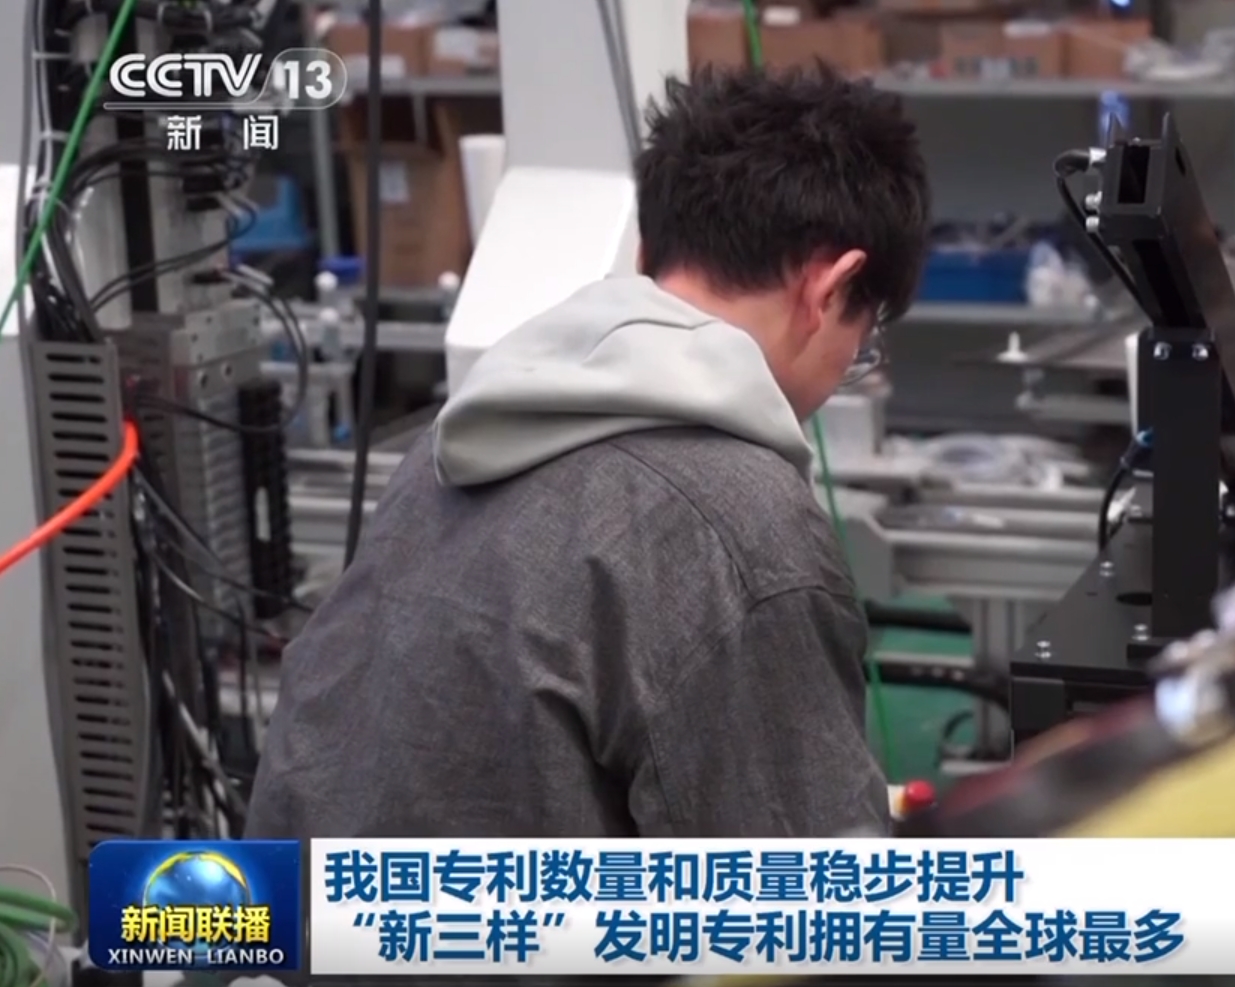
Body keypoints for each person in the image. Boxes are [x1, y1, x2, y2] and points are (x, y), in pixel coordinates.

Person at [245, 66, 931, 838]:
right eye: (862, 339)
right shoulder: (742, 524)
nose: (849, 367)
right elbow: (801, 889)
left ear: (646, 252)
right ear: (830, 287)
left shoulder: (454, 440)